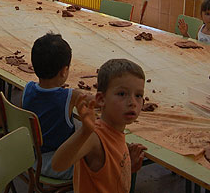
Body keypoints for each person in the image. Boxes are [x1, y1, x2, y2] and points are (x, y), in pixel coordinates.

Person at [52, 59, 148, 193]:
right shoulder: (95, 137)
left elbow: (108, 177)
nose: (132, 102)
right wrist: (84, 132)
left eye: (138, 95)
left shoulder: (117, 130)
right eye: (122, 94)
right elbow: (57, 164)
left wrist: (127, 166)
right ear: (101, 99)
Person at [22, 33, 84, 179]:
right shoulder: (70, 96)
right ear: (64, 71)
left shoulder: (27, 88)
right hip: (56, 163)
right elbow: (89, 99)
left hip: (29, 155)